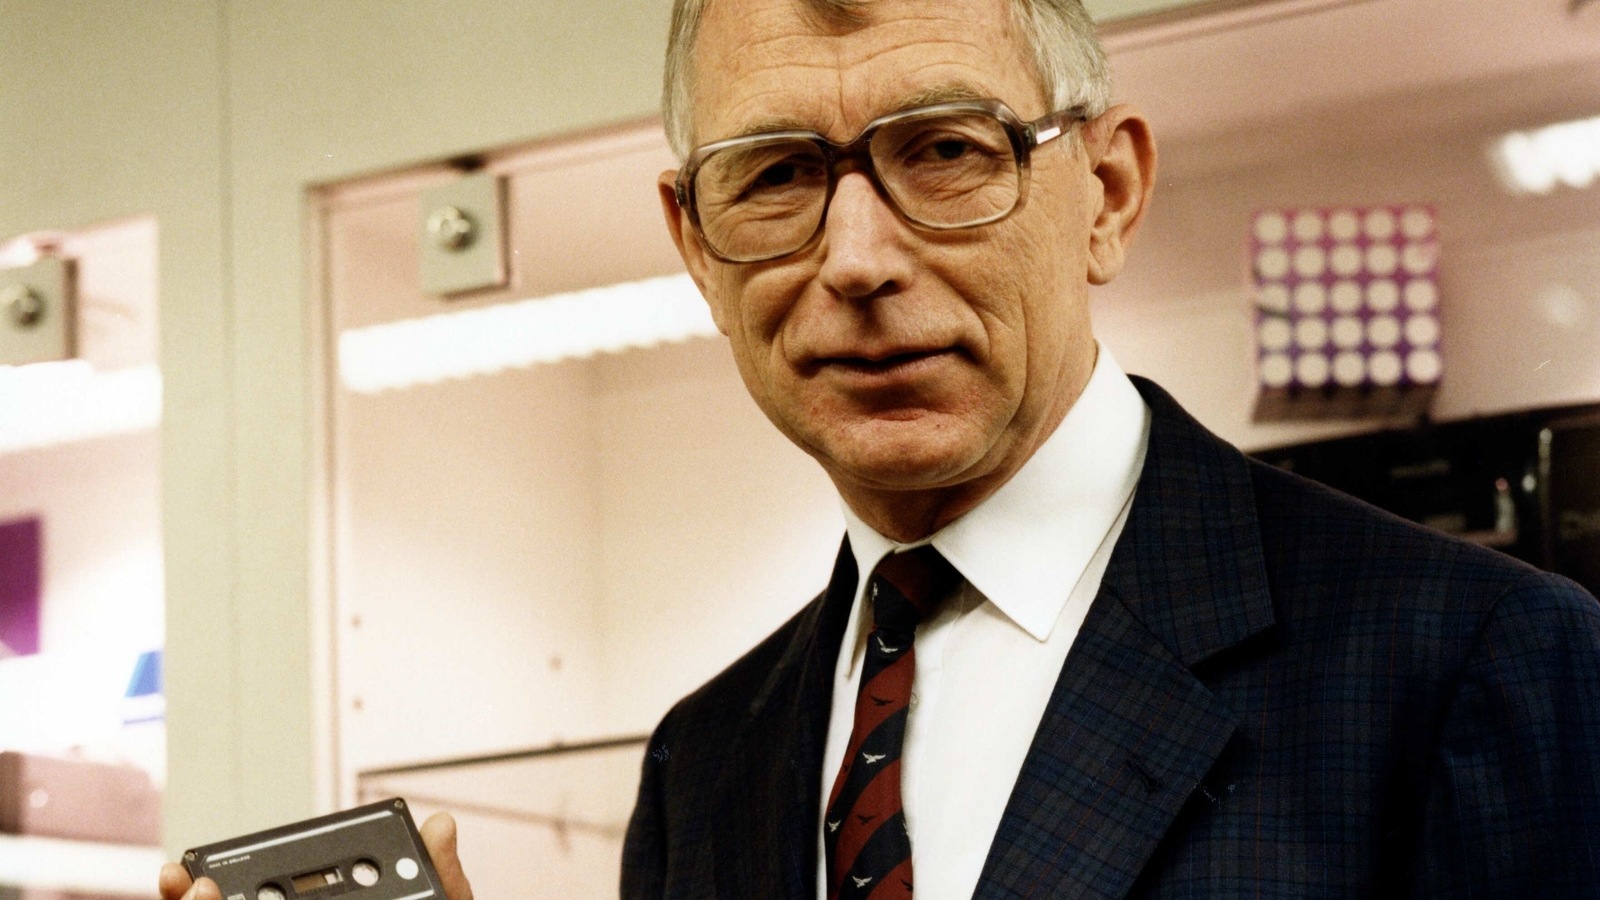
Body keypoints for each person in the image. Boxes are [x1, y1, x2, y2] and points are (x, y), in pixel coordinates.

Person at [162, 0, 1600, 898]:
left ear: (1105, 191)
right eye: (778, 176)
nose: (856, 257)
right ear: (695, 245)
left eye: (946, 152)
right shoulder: (707, 765)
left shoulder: (1476, 666)